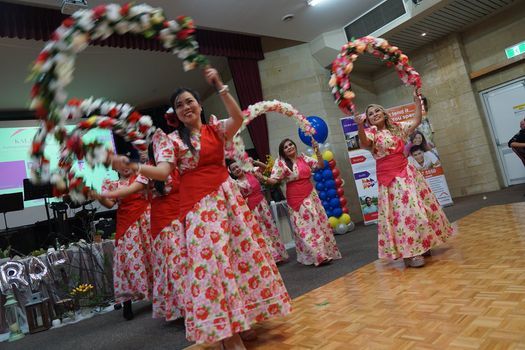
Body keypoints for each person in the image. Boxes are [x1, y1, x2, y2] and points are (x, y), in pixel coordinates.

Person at [112, 67, 291, 349]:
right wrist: (134, 165)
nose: (185, 107)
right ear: (174, 114)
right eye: (179, 105)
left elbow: (238, 118)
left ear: (199, 105)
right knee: (213, 266)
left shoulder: (215, 130)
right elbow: (161, 172)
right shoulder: (171, 141)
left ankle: (243, 320)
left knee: (239, 259)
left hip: (228, 201)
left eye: (189, 101)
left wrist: (221, 85)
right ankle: (227, 335)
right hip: (199, 209)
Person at [354, 88, 454, 268]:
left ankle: (423, 245)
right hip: (390, 180)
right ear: (367, 119)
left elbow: (416, 121)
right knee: (401, 216)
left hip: (408, 174)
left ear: (384, 114)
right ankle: (410, 254)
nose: (374, 114)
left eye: (377, 110)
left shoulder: (397, 128)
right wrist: (360, 126)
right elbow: (364, 143)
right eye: (370, 114)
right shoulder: (371, 133)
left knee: (418, 210)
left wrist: (417, 104)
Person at [102, 129, 186, 322]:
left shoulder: (176, 165)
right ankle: (181, 307)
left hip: (180, 218)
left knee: (184, 262)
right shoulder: (144, 173)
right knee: (170, 263)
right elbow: (125, 193)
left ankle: (194, 301)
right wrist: (100, 195)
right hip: (158, 222)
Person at [259, 138, 342, 266]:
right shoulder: (281, 164)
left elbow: (320, 165)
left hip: (310, 195)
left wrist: (317, 150)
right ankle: (319, 256)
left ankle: (319, 253)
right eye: (285, 147)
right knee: (306, 228)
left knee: (317, 224)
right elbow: (274, 180)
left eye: (290, 144)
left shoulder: (303, 158)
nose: (289, 147)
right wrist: (260, 177)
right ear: (283, 152)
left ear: (295, 146)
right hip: (296, 198)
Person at [94, 168, 152, 320]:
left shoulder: (142, 177)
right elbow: (108, 204)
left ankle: (159, 295)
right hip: (127, 224)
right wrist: (98, 196)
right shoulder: (112, 184)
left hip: (146, 219)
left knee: (151, 256)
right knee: (128, 261)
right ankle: (127, 302)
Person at [228, 160, 289, 263]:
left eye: (237, 167)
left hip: (263, 204)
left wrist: (256, 162)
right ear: (232, 173)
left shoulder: (252, 172)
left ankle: (280, 253)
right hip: (251, 208)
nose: (237, 169)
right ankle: (272, 257)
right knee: (261, 231)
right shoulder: (235, 183)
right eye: (233, 169)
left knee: (271, 228)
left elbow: (268, 169)